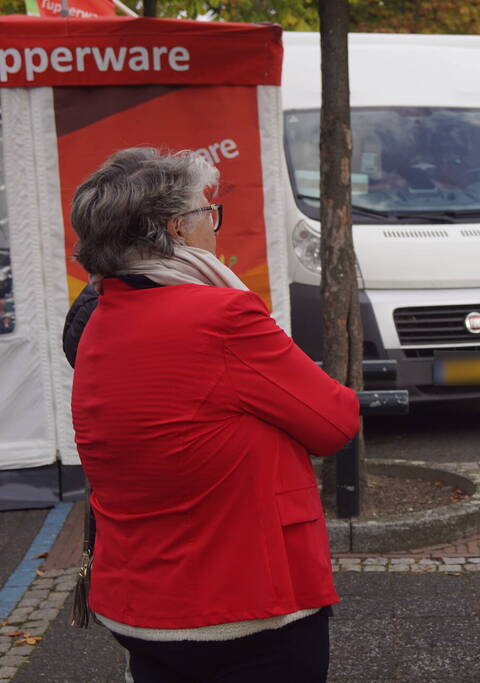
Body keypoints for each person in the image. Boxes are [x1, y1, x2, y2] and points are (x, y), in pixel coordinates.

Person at [68, 148, 360, 683]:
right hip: (241, 601)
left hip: (139, 598)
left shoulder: (99, 319)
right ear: (176, 228)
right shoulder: (222, 314)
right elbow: (335, 421)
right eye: (209, 212)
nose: (214, 226)